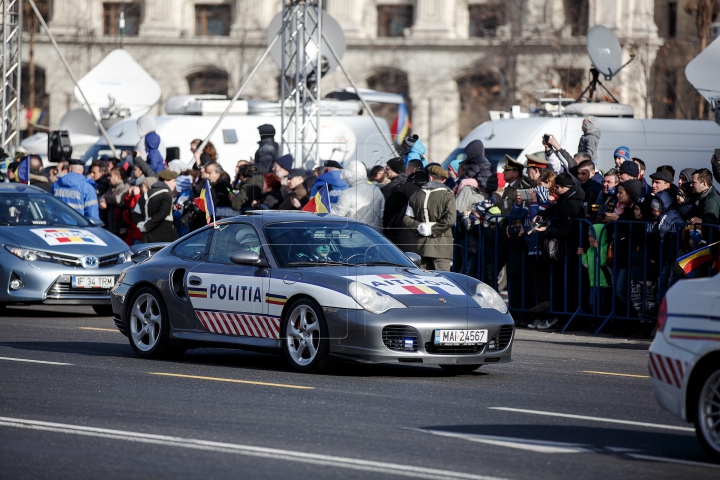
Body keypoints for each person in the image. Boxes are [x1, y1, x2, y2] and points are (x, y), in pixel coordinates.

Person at [531, 173, 586, 329]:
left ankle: (565, 317)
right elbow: (553, 209)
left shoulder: (570, 204)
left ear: (565, 188)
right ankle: (554, 311)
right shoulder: (564, 200)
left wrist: (546, 229)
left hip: (570, 250)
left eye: (558, 188)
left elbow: (565, 231)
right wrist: (541, 214)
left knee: (568, 285)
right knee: (555, 279)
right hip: (564, 250)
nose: (556, 190)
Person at [403, 165, 455, 271]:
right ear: (444, 180)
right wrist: (432, 229)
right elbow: (450, 220)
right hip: (442, 247)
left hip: (421, 247)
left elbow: (406, 219)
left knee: (423, 282)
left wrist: (420, 227)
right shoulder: (448, 195)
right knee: (442, 282)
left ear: (430, 178)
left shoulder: (416, 195)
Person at [383, 159, 428, 252]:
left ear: (411, 170)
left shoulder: (403, 187)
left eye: (406, 170)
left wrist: (387, 228)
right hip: (425, 237)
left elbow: (389, 211)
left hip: (402, 235)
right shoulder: (428, 188)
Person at [334, 160, 385, 228]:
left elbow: (336, 217)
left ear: (349, 175)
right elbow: (382, 215)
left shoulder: (347, 193)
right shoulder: (376, 190)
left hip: (354, 234)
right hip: (373, 235)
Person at [133, 169, 178, 243]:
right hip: (165, 238)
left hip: (147, 239)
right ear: (166, 181)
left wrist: (142, 225)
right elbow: (163, 213)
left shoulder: (145, 194)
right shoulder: (167, 194)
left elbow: (135, 214)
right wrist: (147, 226)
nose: (175, 184)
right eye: (173, 181)